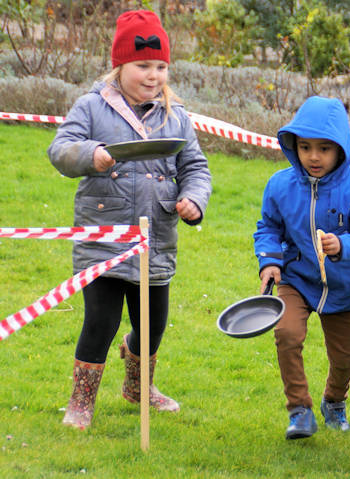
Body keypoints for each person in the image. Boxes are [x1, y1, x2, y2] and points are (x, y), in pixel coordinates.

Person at [48, 10, 212, 430]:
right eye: (143, 66)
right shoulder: (91, 107)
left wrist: (193, 198)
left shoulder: (176, 115)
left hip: (154, 241)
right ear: (119, 65)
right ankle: (80, 402)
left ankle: (138, 388)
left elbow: (195, 166)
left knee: (152, 327)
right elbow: (61, 149)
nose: (153, 75)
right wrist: (91, 154)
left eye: (160, 66)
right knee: (99, 322)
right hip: (102, 238)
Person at [254, 96, 350, 440]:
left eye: (324, 148)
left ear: (341, 150)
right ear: (292, 145)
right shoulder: (279, 185)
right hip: (295, 279)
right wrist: (269, 262)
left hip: (341, 286)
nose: (313, 156)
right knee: (287, 334)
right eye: (305, 146)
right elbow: (268, 228)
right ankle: (299, 410)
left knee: (344, 357)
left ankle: (334, 402)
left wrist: (343, 246)